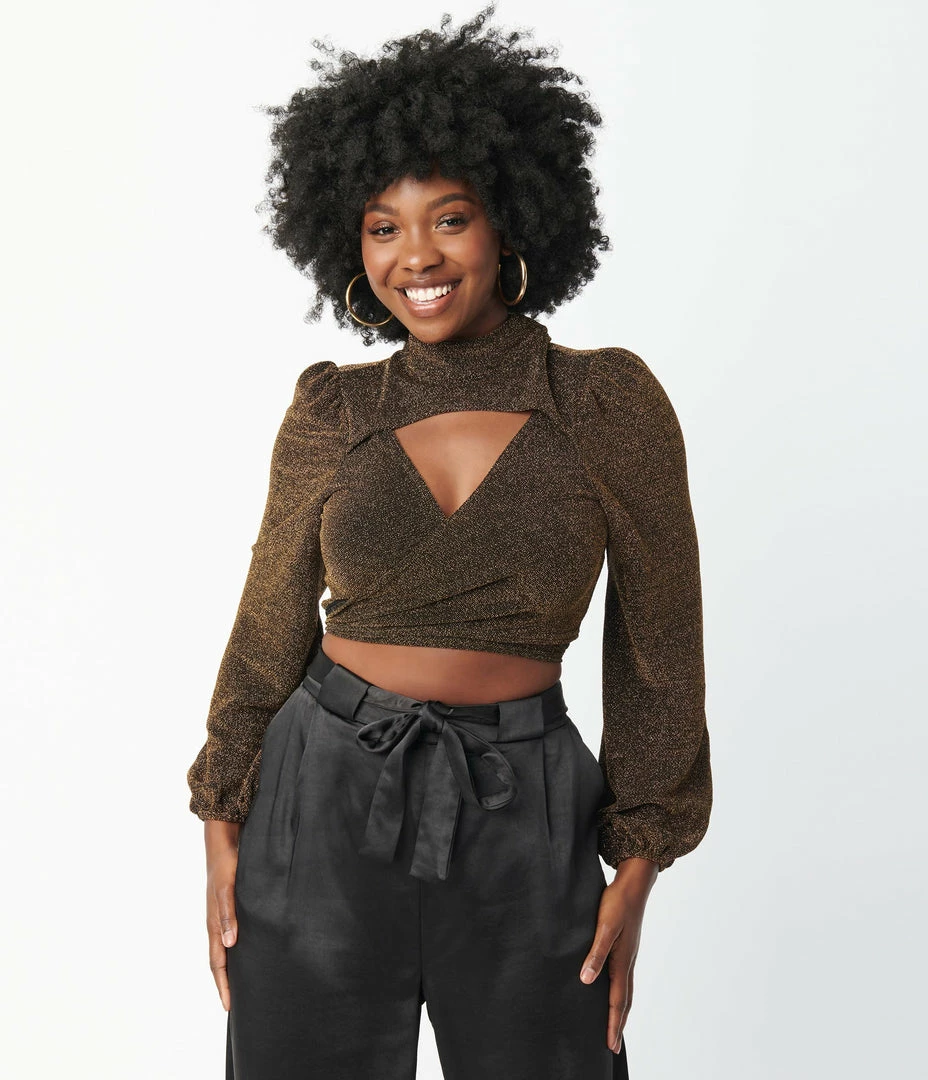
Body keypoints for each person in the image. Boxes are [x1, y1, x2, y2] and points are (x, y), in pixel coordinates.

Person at [186, 6, 712, 1078]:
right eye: (383, 227)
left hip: (525, 813)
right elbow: (268, 619)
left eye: (450, 219)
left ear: (510, 223)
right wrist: (222, 815)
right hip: (318, 802)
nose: (416, 257)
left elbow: (659, 646)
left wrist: (639, 860)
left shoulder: (605, 403)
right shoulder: (333, 408)